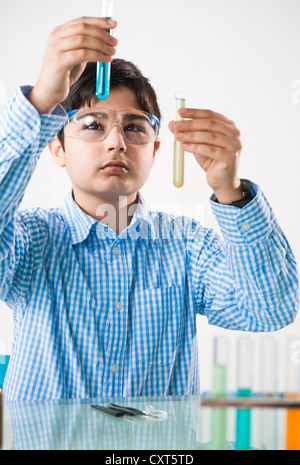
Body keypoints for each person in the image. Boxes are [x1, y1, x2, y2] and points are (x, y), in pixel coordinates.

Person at [0, 17, 298, 400]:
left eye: (135, 127)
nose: (116, 143)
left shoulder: (188, 245)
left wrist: (231, 191)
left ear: (156, 150)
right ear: (56, 147)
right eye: (93, 125)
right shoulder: (30, 240)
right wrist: (40, 101)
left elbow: (270, 310)